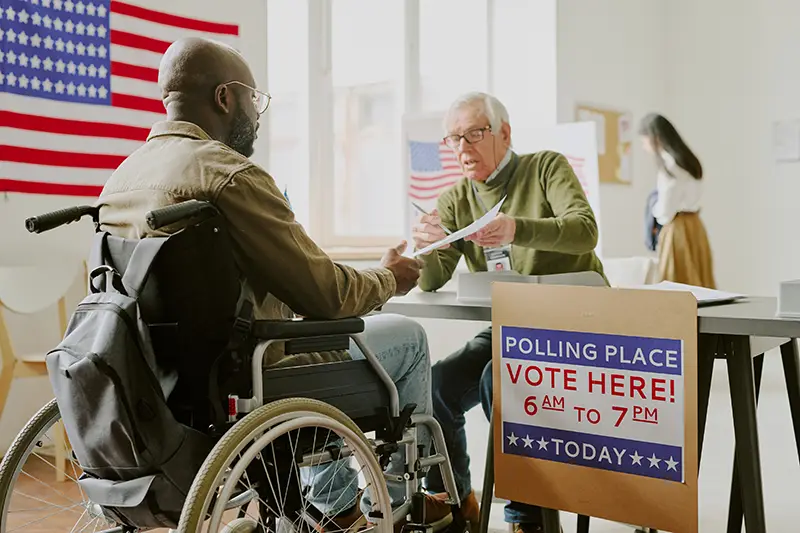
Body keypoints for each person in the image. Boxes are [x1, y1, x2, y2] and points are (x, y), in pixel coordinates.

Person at [97, 37, 452, 531]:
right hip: (251, 374)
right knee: (407, 337)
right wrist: (389, 276)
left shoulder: (120, 180)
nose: (257, 114)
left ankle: (338, 504)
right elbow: (327, 294)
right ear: (225, 98)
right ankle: (388, 502)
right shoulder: (228, 175)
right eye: (253, 98)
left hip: (156, 375)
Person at [414, 92, 605, 533]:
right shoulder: (454, 200)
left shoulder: (544, 167)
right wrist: (427, 245)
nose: (463, 147)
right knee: (438, 384)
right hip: (509, 326)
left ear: (504, 133)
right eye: (454, 138)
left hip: (574, 323)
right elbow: (431, 279)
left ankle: (527, 514)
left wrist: (515, 228)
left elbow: (585, 231)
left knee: (499, 380)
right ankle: (457, 500)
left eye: (475, 134)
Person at [638, 113, 716, 289]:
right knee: (700, 283)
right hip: (695, 226)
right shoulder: (689, 161)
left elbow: (665, 212)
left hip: (677, 229)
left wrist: (653, 208)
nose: (643, 146)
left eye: (644, 141)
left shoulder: (669, 165)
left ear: (654, 138)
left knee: (676, 285)